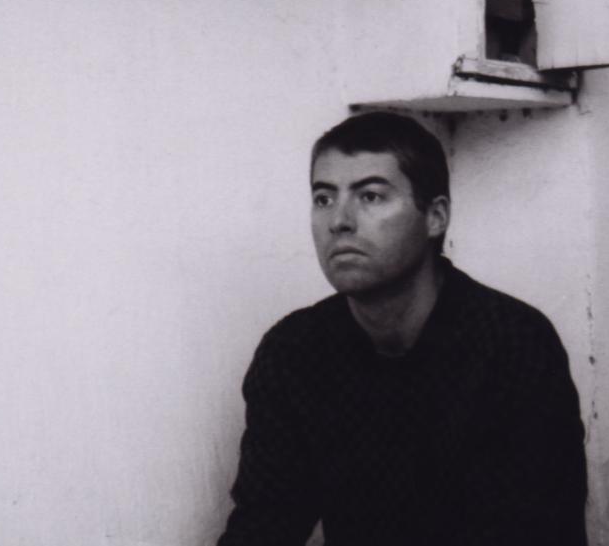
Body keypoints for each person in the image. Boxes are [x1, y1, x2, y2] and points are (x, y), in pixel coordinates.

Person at [217, 112, 587, 546]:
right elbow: (264, 523)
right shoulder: (294, 352)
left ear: (435, 216)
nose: (339, 220)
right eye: (324, 198)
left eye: (371, 196)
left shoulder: (513, 344)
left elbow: (544, 528)